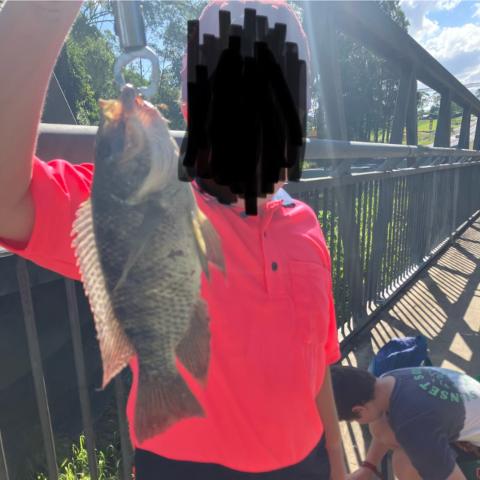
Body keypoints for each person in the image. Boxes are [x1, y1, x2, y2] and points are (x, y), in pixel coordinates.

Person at [0, 0, 346, 478]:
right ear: (193, 107)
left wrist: (336, 458)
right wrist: (44, 11)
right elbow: (8, 201)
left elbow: (318, 364)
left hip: (308, 464)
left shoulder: (306, 226)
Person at [331, 365, 480, 480]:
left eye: (355, 419)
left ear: (359, 410)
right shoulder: (388, 380)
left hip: (473, 441)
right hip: (463, 413)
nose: (358, 422)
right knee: (381, 425)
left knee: (404, 463)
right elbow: (382, 429)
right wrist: (368, 468)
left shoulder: (414, 424)